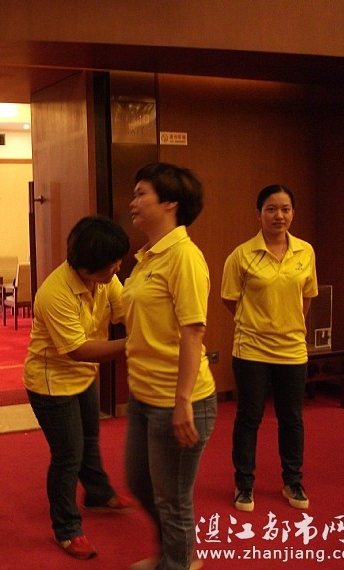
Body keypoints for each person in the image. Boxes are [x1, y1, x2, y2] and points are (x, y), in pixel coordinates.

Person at [121, 162, 216, 570]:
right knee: (139, 482)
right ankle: (176, 555)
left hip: (177, 399)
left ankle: (178, 563)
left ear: (170, 203)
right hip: (144, 394)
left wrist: (182, 402)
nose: (133, 201)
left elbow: (193, 332)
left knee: (172, 499)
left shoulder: (184, 258)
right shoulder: (147, 257)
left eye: (142, 193)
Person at [24, 215, 133, 561]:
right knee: (68, 454)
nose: (117, 268)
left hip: (83, 376)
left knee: (89, 439)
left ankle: (98, 493)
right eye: (112, 264)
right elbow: (79, 350)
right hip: (51, 383)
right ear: (86, 265)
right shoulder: (54, 293)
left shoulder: (105, 279)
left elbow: (126, 311)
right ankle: (67, 528)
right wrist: (135, 345)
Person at [221, 184, 317, 512]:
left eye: (285, 209)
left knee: (292, 419)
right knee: (249, 418)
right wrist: (257, 323)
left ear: (293, 213)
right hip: (251, 350)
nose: (279, 215)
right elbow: (230, 299)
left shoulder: (305, 251)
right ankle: (244, 484)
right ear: (259, 213)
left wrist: (289, 325)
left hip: (292, 350)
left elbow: (306, 297)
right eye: (271, 209)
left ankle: (292, 481)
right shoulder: (241, 255)